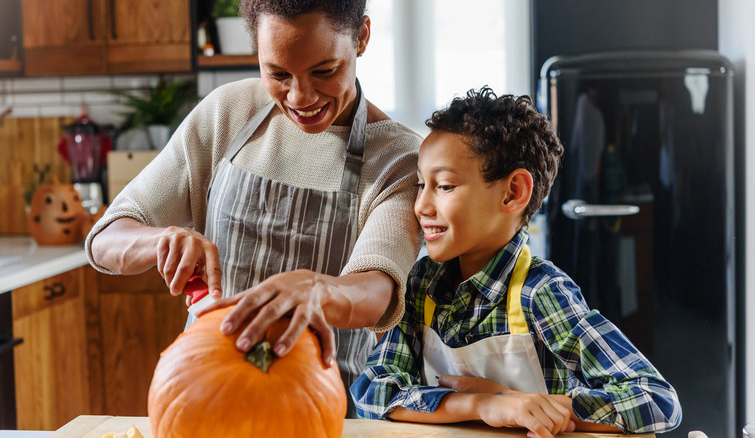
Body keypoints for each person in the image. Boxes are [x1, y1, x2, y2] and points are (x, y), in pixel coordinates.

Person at [86, 0, 422, 417]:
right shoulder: (227, 113)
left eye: (324, 71)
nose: (300, 96)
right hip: (202, 394)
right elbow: (106, 238)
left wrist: (319, 288)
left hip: (323, 407)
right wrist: (160, 241)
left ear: (362, 38)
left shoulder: (399, 158)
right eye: (277, 73)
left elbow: (378, 290)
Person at [350, 87, 682, 436]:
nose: (421, 206)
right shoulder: (423, 284)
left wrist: (525, 403)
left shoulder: (540, 291)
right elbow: (373, 392)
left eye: (444, 186)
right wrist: (486, 404)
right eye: (421, 184)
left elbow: (655, 399)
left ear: (513, 193)